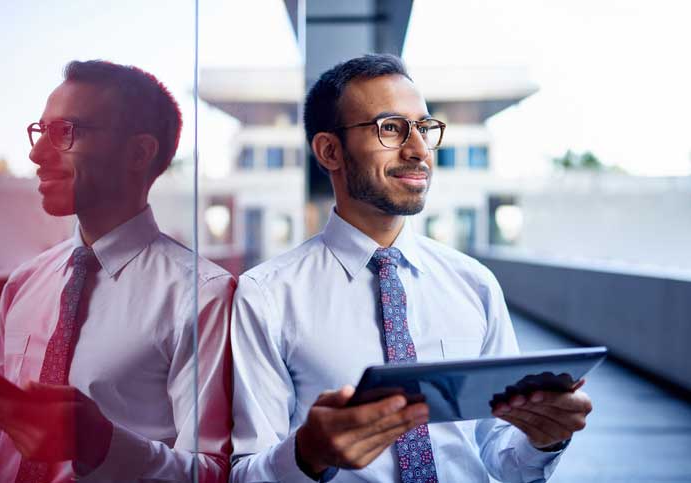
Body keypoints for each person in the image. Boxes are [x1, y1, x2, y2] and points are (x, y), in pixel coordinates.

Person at [229, 54, 593, 483]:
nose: (419, 150)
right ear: (330, 150)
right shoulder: (266, 295)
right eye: (390, 128)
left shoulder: (474, 284)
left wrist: (543, 439)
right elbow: (245, 475)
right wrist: (307, 454)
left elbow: (503, 457)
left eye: (423, 128)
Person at [0, 60, 233, 482]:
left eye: (64, 133)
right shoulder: (24, 283)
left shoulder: (204, 297)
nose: (36, 155)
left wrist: (103, 445)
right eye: (39, 133)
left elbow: (215, 473)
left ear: (139, 152)